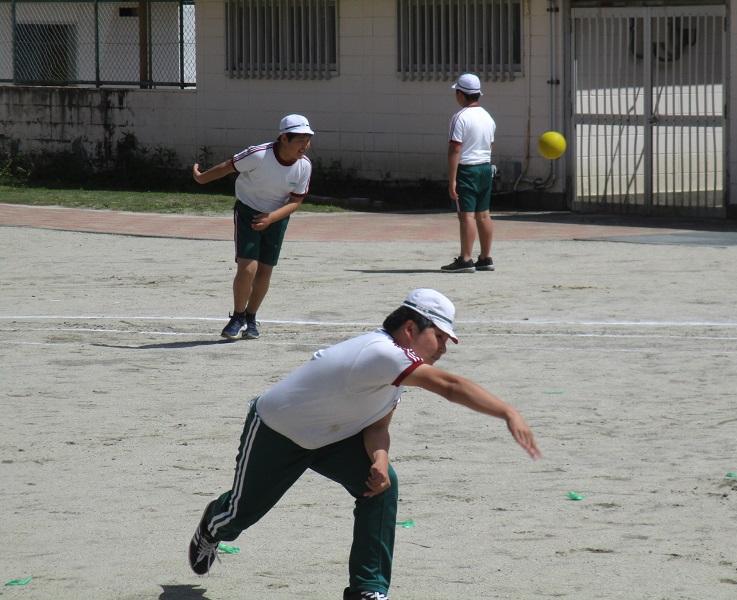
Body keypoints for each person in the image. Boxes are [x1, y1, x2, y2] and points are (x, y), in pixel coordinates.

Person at [188, 288, 541, 600]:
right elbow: (450, 386)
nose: (444, 348)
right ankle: (211, 526)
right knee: (240, 514)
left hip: (332, 437)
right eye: (439, 336)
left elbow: (377, 427)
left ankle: (367, 589)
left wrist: (380, 461)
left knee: (382, 487)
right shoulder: (380, 352)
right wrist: (507, 411)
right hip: (278, 431)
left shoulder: (397, 371)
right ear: (410, 329)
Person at [192, 114, 314, 340]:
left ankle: (251, 317)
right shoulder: (259, 154)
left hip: (276, 217)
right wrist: (201, 179)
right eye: (300, 140)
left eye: (308, 140)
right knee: (248, 268)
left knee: (265, 271)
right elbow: (228, 167)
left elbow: (296, 201)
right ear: (284, 138)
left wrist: (271, 218)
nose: (305, 146)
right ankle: (237, 316)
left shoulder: (304, 166)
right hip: (248, 211)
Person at [442, 73, 497, 274]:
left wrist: (452, 180)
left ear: (460, 94)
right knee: (484, 214)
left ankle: (465, 259)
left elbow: (455, 149)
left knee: (467, 215)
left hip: (467, 169)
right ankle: (485, 257)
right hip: (485, 167)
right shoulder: (487, 116)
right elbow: (490, 145)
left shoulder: (460, 117)